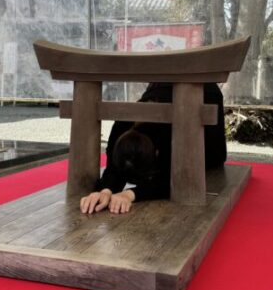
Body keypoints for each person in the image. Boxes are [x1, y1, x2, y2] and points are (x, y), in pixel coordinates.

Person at [80, 82, 227, 214]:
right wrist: (105, 191)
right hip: (159, 85)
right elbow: (113, 168)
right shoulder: (122, 124)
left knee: (212, 160)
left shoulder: (173, 133)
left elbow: (175, 180)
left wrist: (130, 194)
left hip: (206, 91)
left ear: (157, 153)